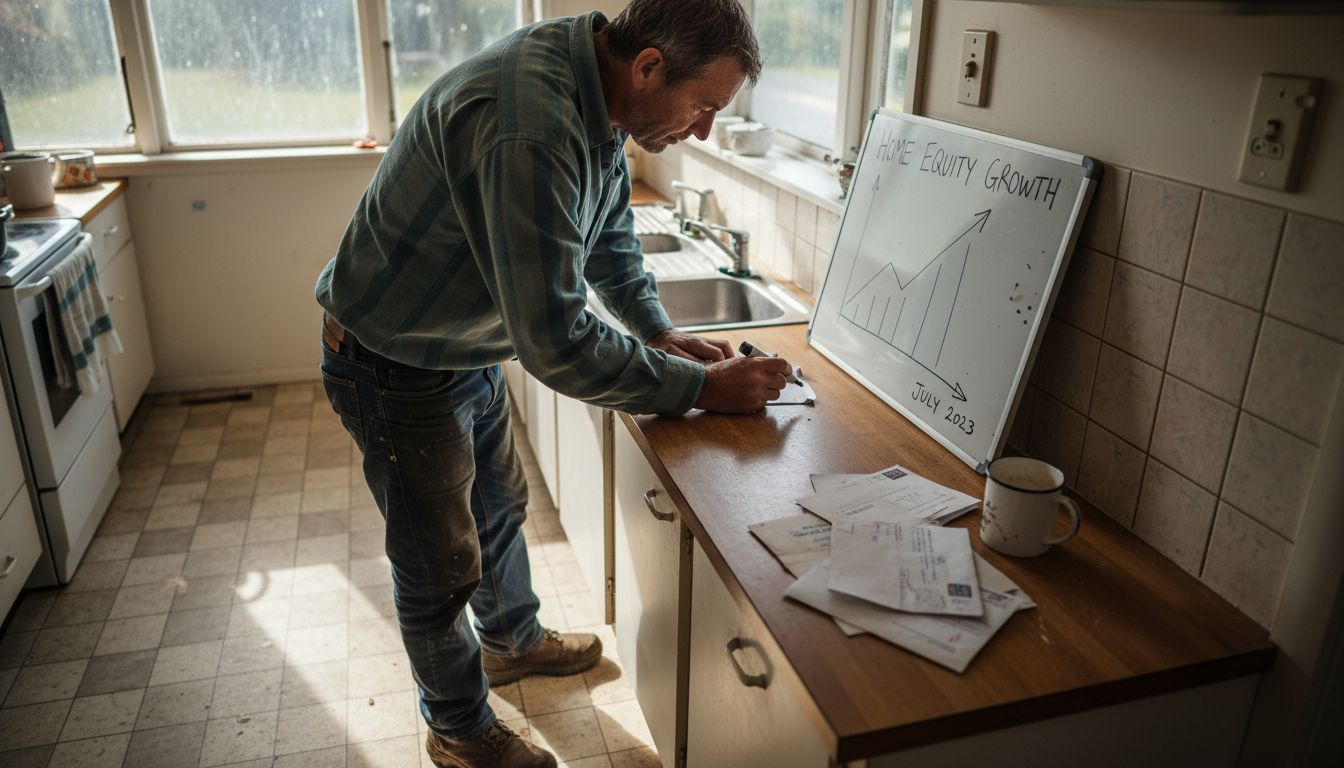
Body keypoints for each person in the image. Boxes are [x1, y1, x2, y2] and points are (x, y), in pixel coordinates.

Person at [315, 1, 791, 765]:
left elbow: (607, 227)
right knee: (439, 565)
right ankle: (458, 730)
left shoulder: (593, 88)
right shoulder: (530, 126)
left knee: (498, 504)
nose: (704, 131)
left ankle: (510, 641)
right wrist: (702, 388)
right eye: (703, 106)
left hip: (459, 341)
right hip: (394, 359)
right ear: (648, 67)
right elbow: (559, 342)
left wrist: (655, 329)